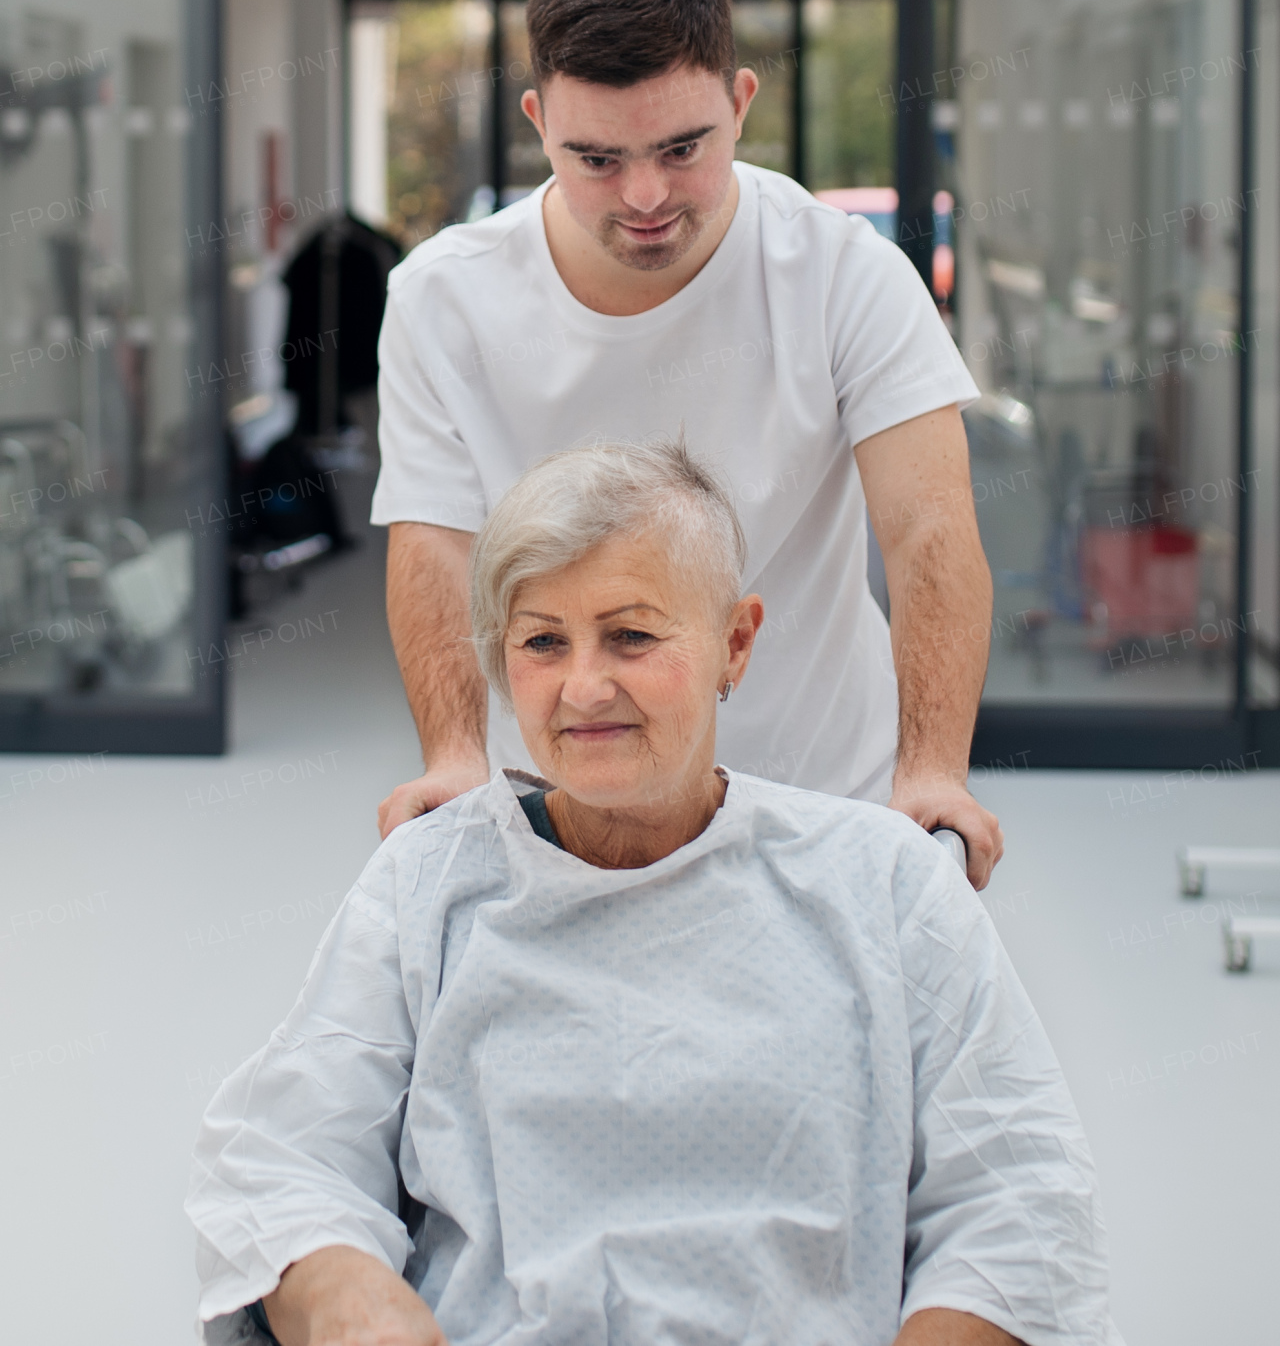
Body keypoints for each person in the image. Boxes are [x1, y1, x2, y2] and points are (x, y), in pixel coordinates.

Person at [188, 443, 1121, 1346]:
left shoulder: (884, 881)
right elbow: (286, 1158)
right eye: (542, 641)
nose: (584, 686)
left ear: (735, 642)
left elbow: (1018, 1197)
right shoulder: (428, 886)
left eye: (631, 635)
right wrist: (353, 1301)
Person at [373, 0, 1001, 885]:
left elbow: (927, 529)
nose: (646, 195)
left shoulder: (846, 275)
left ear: (741, 104)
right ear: (538, 125)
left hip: (827, 790)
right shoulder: (442, 299)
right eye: (597, 157)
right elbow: (433, 545)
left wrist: (933, 770)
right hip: (566, 802)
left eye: (682, 148)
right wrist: (455, 756)